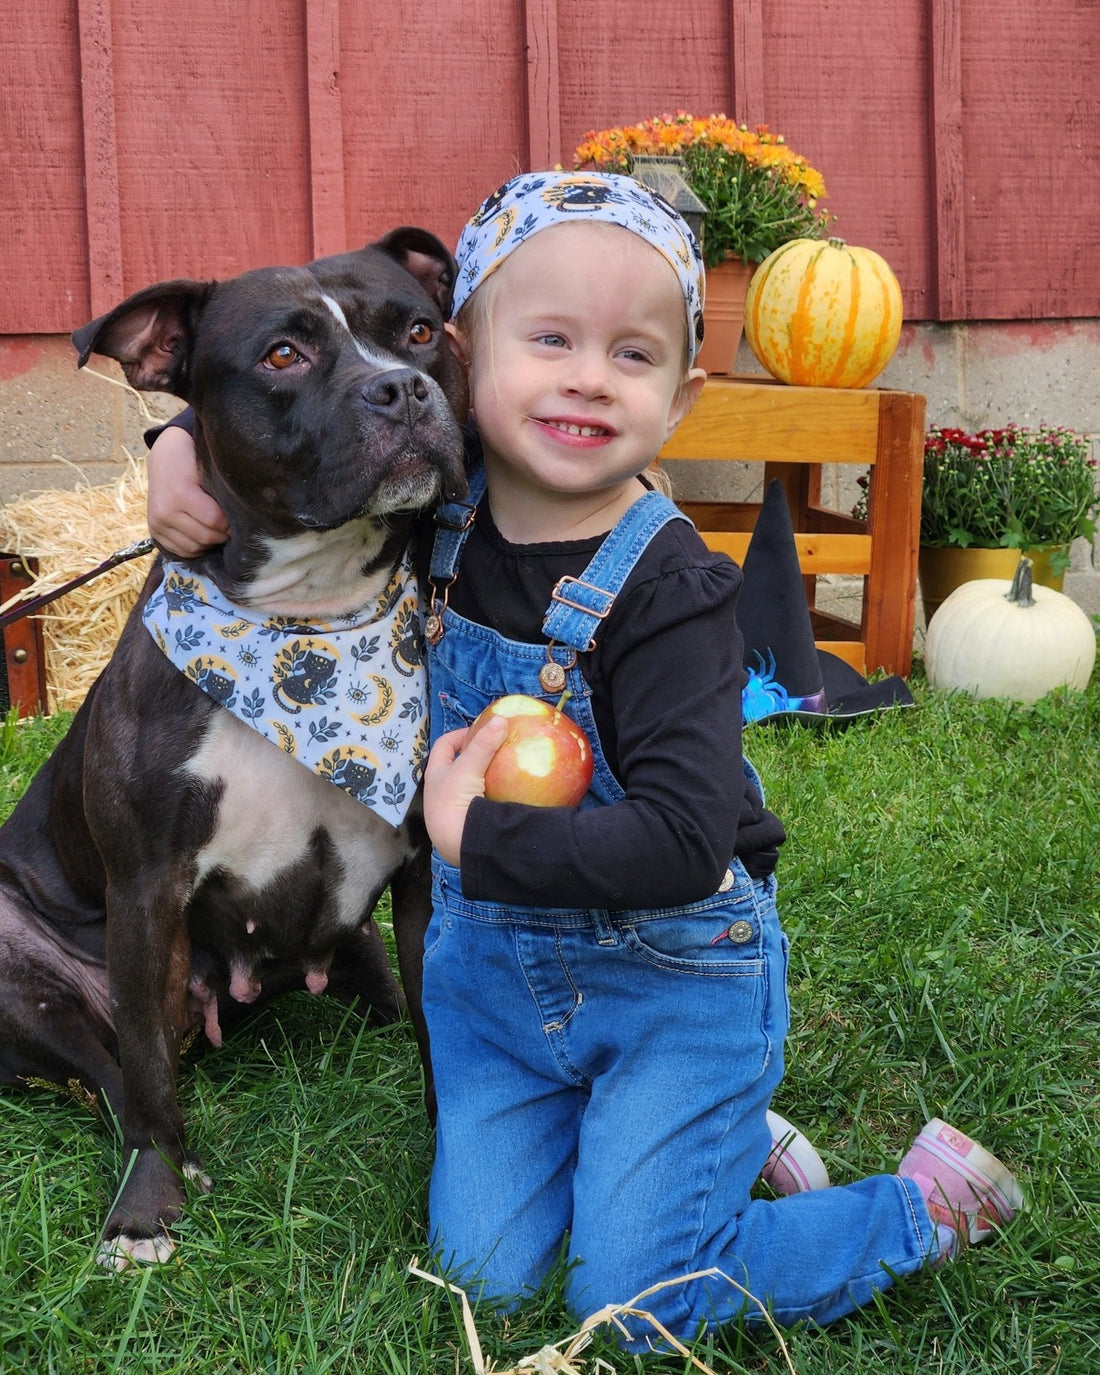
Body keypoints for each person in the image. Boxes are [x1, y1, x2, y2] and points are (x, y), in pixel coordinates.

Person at [145, 172, 1022, 1346]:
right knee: (487, 1283)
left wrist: (474, 837)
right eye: (548, 340)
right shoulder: (433, 508)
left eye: (631, 355)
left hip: (671, 980)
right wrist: (176, 445)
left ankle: (916, 1204)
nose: (586, 378)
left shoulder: (674, 592)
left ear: (681, 397)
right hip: (498, 991)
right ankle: (698, 1146)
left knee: (630, 1302)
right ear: (464, 362)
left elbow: (684, 841)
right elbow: (276, 398)